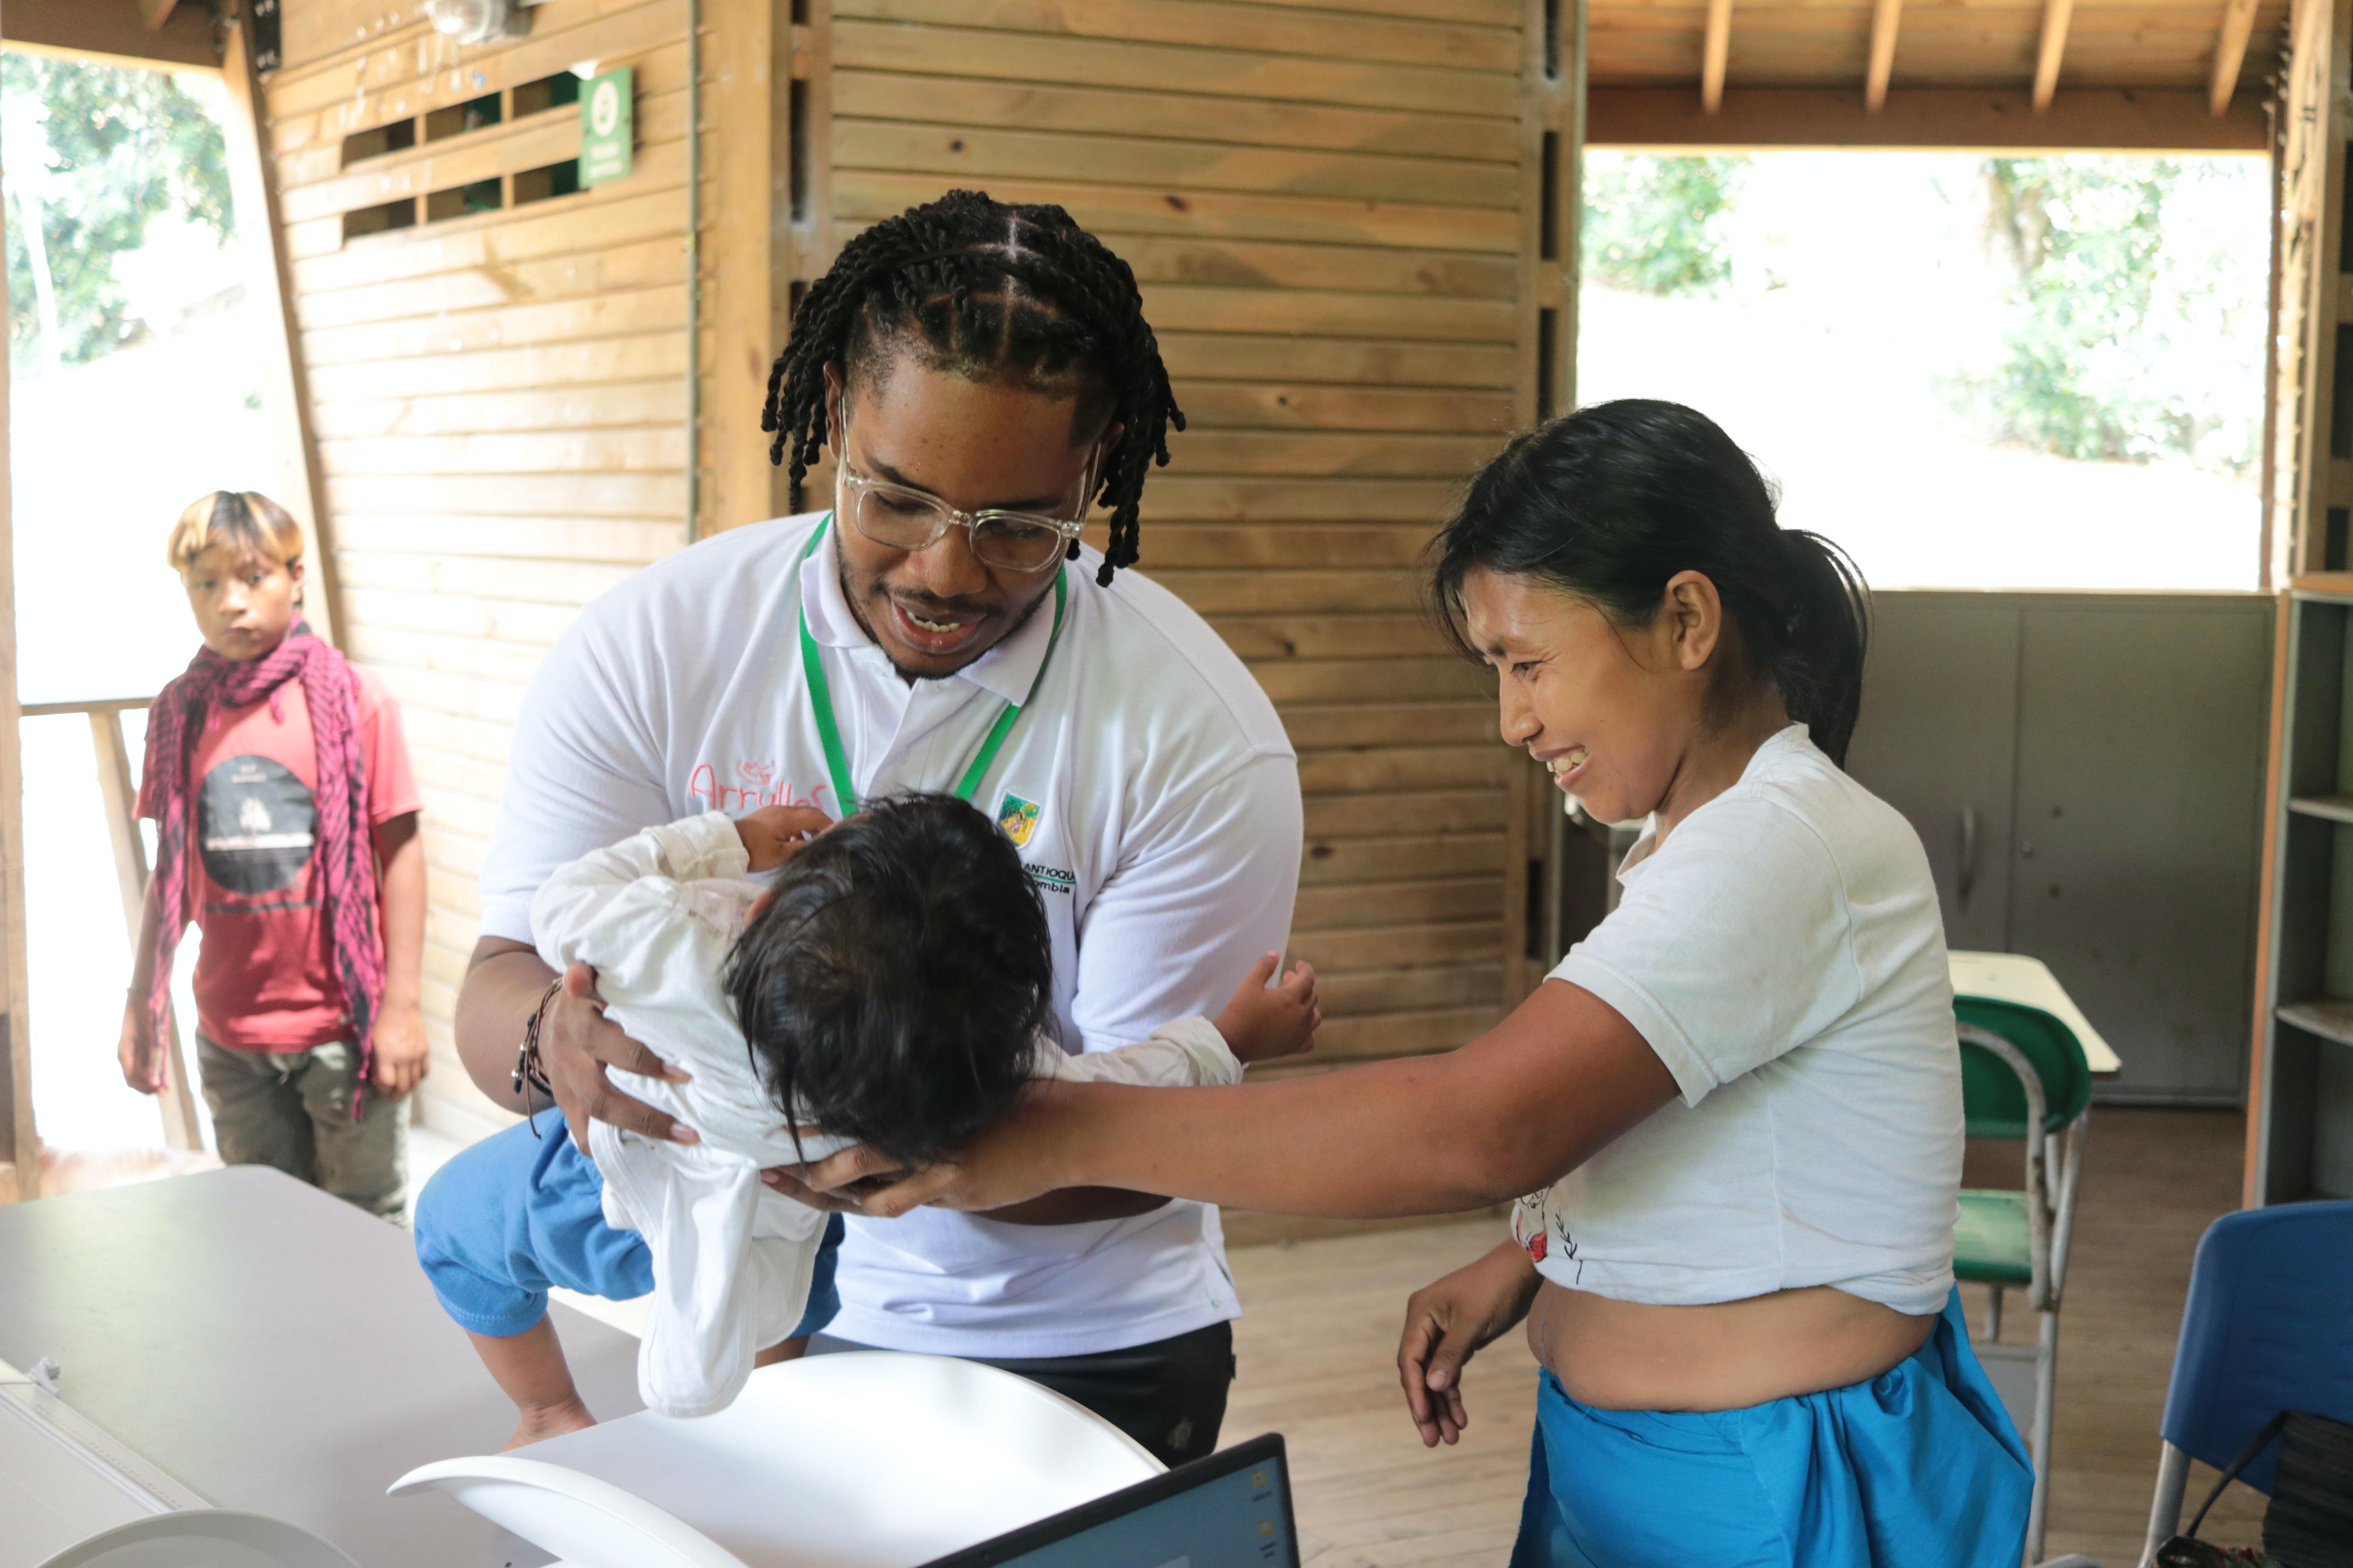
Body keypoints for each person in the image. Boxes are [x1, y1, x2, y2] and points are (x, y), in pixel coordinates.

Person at [790, 401, 2036, 1567]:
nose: (1512, 720)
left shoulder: (1782, 844)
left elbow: (1483, 1124)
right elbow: (1723, 1143)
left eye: (1526, 662)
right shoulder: (1692, 842)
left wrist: (1042, 1129)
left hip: (1776, 1481)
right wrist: (1537, 1262)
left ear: (1687, 624)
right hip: (1653, 1457)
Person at [450, 190, 1304, 1466]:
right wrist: (552, 1041)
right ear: (839, 405)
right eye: (894, 500)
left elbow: (1143, 1145)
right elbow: (499, 988)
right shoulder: (654, 644)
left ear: (1098, 463)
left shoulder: (1193, 736)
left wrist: (842, 1138)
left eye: (1019, 527)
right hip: (766, 1317)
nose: (946, 574)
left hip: (1063, 1333)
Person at [416, 794, 1317, 1446]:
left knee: (451, 1231)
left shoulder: (678, 957)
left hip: (610, 1179)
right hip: (789, 1235)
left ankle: (546, 1411)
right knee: (778, 1324)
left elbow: (567, 897)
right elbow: (1121, 1079)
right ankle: (749, 1429)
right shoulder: (978, 1068)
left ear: (763, 905)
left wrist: (723, 838)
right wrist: (1231, 1038)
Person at [120, 490, 429, 1222]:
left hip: (344, 1029)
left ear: (295, 577)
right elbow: (172, 873)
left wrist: (402, 1010)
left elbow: (404, 856)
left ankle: (369, 1342)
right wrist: (143, 1000)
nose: (231, 602)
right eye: (207, 583)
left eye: (253, 577)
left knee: (367, 1222)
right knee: (263, 1223)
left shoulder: (356, 700)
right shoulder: (179, 713)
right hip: (232, 1030)